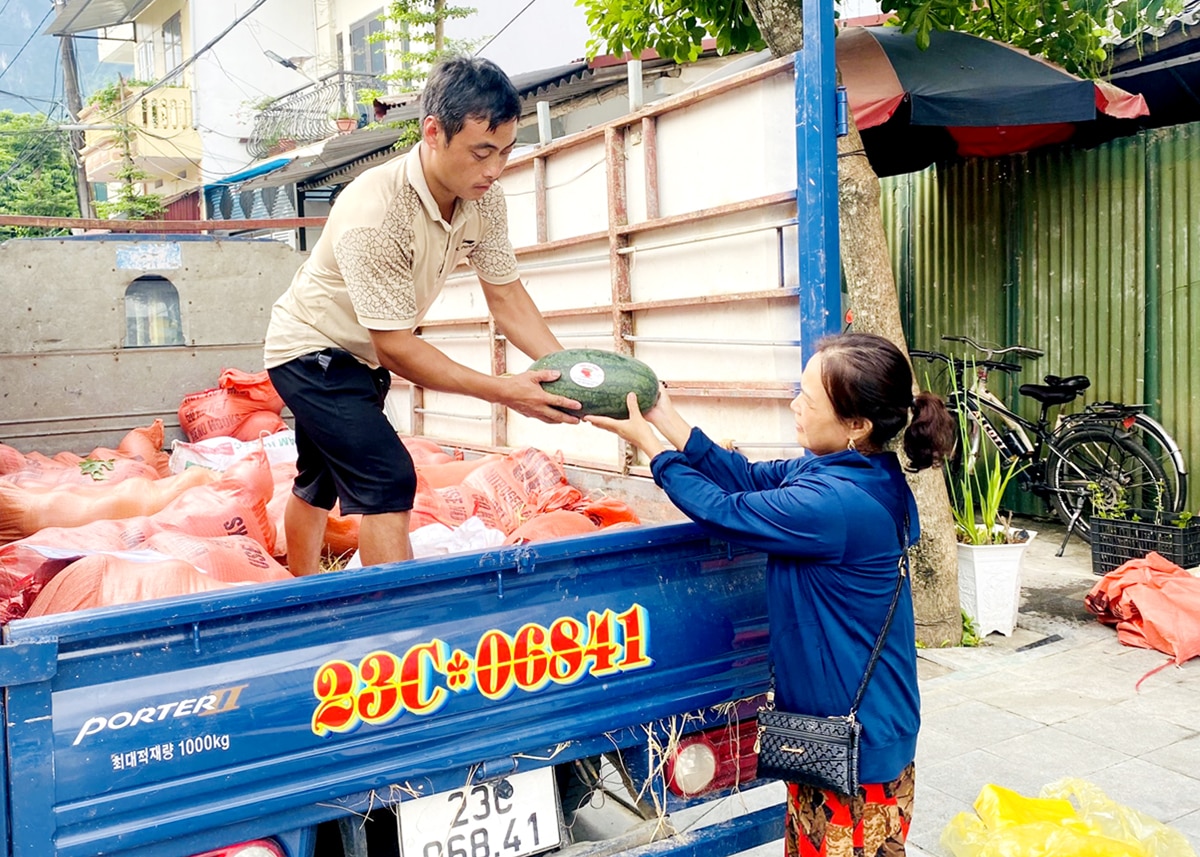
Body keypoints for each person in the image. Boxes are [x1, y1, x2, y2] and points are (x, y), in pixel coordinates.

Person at [587, 332, 955, 857]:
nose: (794, 405)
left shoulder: (837, 504)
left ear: (857, 425)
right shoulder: (846, 469)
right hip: (833, 731)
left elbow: (725, 510)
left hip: (858, 745)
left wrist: (651, 447)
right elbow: (745, 477)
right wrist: (665, 415)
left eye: (808, 398)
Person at [264, 56, 580, 577]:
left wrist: (572, 372)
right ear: (433, 132)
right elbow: (396, 347)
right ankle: (395, 630)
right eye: (482, 152)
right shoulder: (378, 210)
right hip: (311, 352)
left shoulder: (485, 200)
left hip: (360, 354)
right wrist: (505, 388)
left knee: (318, 480)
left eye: (505, 152)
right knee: (388, 479)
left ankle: (301, 591)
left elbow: (507, 298)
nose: (495, 169)